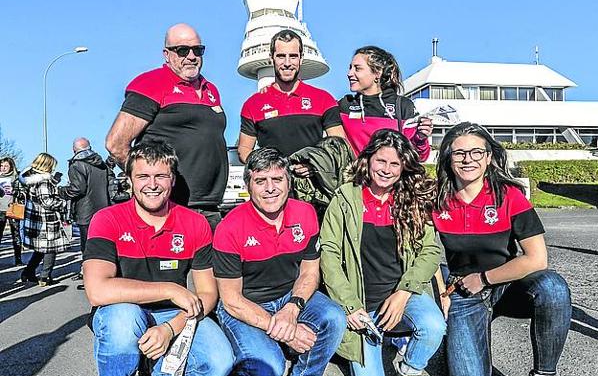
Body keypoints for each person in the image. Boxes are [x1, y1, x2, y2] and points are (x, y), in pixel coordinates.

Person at [83, 141, 233, 376]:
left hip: (174, 314)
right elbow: (97, 291)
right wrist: (170, 289)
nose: (152, 185)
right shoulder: (106, 219)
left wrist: (170, 329)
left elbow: (208, 294)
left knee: (219, 361)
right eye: (143, 176)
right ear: (130, 180)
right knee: (122, 322)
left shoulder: (196, 223)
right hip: (123, 310)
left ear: (172, 179)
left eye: (161, 176)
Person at [433, 122, 572, 376]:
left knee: (553, 287)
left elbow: (537, 259)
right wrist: (440, 291)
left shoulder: (509, 195)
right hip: (464, 291)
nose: (468, 160)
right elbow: (423, 252)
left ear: (488, 157)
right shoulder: (436, 198)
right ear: (448, 159)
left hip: (508, 284)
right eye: (459, 153)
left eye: (477, 152)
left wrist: (484, 278)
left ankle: (545, 373)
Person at [320, 129, 446, 376]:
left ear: (403, 167)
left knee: (433, 326)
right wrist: (349, 306)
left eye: (394, 164)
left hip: (401, 293)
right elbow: (330, 253)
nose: (386, 170)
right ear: (367, 160)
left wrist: (403, 292)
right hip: (360, 302)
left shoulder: (412, 200)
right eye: (381, 161)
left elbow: (430, 250)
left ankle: (408, 366)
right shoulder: (345, 198)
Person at [213, 147, 346, 376]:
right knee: (268, 366)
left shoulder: (306, 213)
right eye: (260, 181)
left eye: (277, 179)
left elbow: (309, 272)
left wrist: (292, 309)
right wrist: (287, 331)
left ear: (288, 183)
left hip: (288, 294)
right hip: (246, 302)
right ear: (248, 186)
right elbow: (231, 300)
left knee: (334, 318)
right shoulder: (229, 228)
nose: (270, 188)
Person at [106, 23, 228, 232]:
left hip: (209, 206)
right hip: (170, 206)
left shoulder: (211, 89)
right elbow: (116, 144)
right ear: (166, 54)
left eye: (197, 50)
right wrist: (148, 184)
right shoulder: (150, 83)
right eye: (182, 50)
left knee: (211, 265)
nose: (191, 56)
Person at [237, 29, 346, 175]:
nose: (287, 63)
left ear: (301, 58)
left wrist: (316, 165)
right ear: (272, 58)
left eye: (293, 56)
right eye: (281, 56)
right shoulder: (253, 104)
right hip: (272, 188)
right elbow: (244, 150)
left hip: (312, 191)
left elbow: (339, 146)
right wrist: (267, 168)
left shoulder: (324, 99)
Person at [338, 46, 433, 160]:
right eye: (350, 68)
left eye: (357, 69)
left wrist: (420, 138)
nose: (349, 73)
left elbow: (419, 156)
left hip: (391, 176)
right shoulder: (344, 105)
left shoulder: (402, 106)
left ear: (377, 73)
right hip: (355, 176)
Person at [58, 137, 111, 285]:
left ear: (74, 150)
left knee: (87, 245)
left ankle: (89, 275)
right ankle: (103, 272)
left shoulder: (77, 165)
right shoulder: (101, 164)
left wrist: (61, 191)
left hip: (85, 211)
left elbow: (77, 189)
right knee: (103, 244)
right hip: (104, 208)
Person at [19, 153, 68, 286]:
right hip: (46, 219)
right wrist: (63, 203)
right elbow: (47, 201)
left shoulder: (29, 178)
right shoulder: (44, 180)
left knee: (41, 248)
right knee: (51, 248)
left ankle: (28, 272)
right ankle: (45, 276)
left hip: (34, 218)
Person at [0, 157, 23, 266]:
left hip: (12, 208)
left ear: (11, 167)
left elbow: (23, 193)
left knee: (16, 234)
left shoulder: (16, 178)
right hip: (0, 209)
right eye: (1, 166)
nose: (3, 168)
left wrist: (15, 192)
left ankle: (18, 258)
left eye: (6, 166)